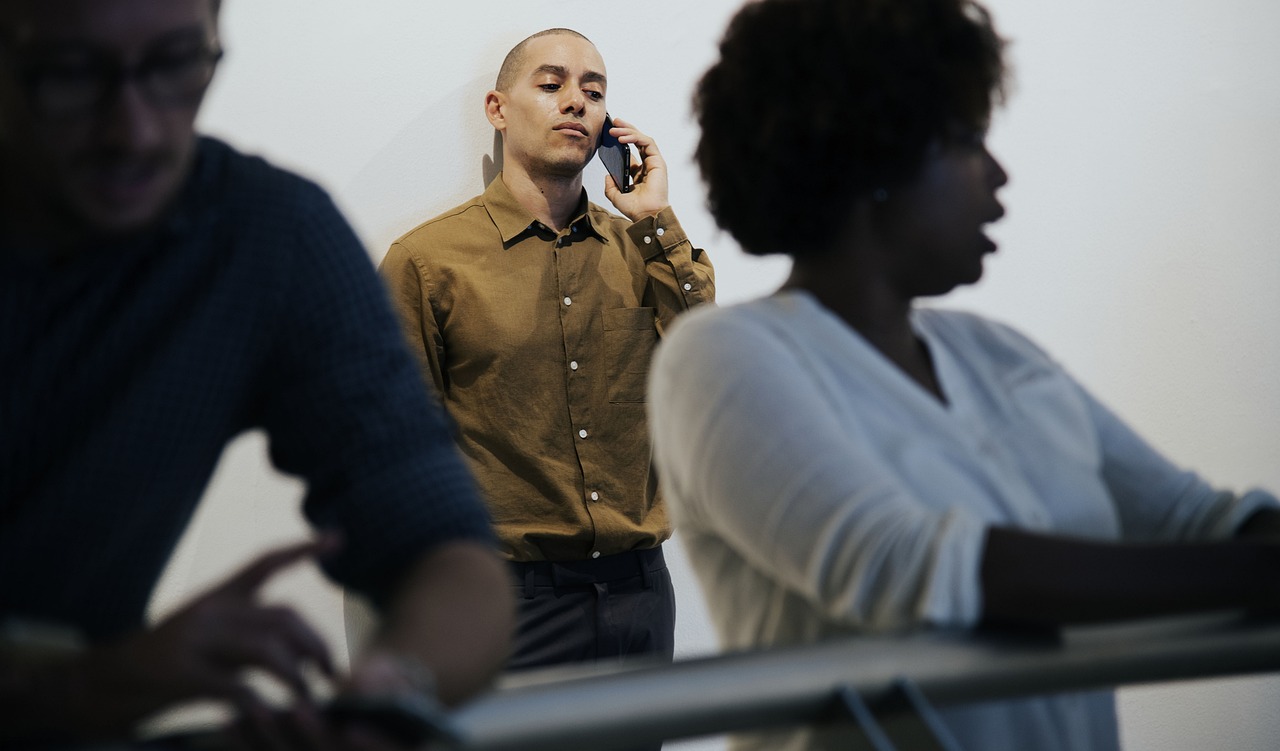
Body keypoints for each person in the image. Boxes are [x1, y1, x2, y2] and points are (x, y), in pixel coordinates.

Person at [647, 0, 1280, 749]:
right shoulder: (723, 356)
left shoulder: (999, 354)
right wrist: (1255, 574)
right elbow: (911, 571)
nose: (999, 176)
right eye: (967, 141)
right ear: (873, 159)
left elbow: (1197, 522)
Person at [0, 0, 514, 746]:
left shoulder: (263, 237)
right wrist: (99, 682)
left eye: (176, 63)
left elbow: (442, 545)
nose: (134, 130)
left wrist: (386, 695)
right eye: (71, 75)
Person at [378, 28, 714, 672]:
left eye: (594, 92)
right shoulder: (425, 263)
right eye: (552, 84)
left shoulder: (642, 251)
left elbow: (710, 367)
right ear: (498, 110)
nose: (576, 103)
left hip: (640, 592)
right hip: (505, 603)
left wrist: (654, 219)